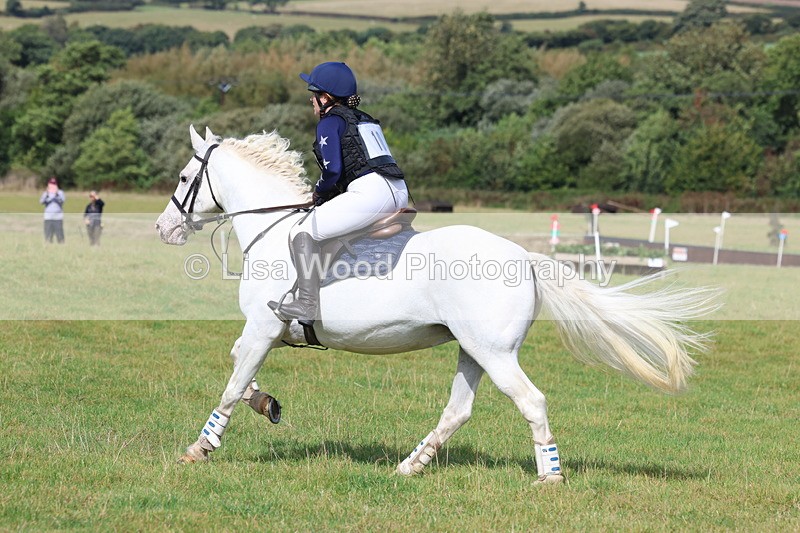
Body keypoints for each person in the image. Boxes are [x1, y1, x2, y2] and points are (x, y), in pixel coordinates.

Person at [269, 61, 409, 326]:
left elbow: (333, 172)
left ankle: (306, 306)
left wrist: (318, 193)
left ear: (326, 98)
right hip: (398, 190)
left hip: (370, 193)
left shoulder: (329, 123)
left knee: (303, 231)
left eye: (314, 94)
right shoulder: (364, 119)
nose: (311, 100)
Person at [40, 177, 65, 244]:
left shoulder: (60, 192)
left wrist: (56, 193)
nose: (52, 186)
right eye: (51, 184)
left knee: (59, 234)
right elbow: (41, 202)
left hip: (58, 217)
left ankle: (61, 245)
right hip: (48, 217)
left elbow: (62, 201)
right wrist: (47, 193)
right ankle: (48, 245)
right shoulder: (45, 193)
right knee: (48, 235)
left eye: (54, 184)